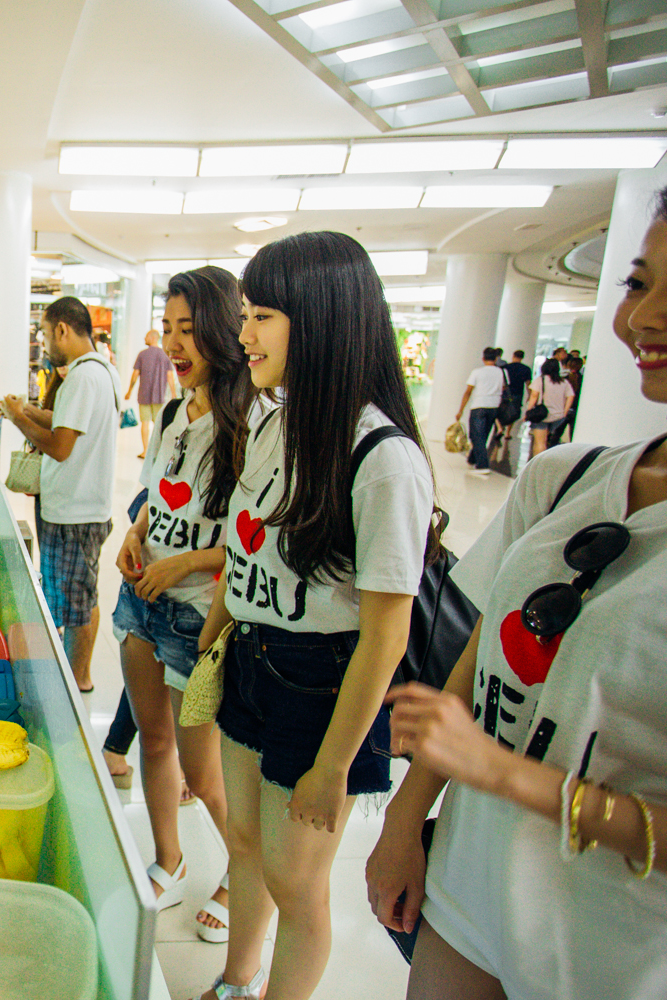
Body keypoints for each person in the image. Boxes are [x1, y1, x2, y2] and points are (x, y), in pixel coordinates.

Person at [365, 166, 667, 1000]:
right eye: (637, 282)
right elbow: (491, 646)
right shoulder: (565, 479)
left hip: (618, 948)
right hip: (471, 885)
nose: (645, 315)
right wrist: (410, 812)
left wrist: (510, 777)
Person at [197, 231, 436, 1000]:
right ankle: (237, 980)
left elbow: (386, 632)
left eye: (262, 315)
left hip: (321, 684)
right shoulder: (271, 420)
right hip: (251, 658)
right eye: (245, 314)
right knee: (242, 845)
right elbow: (244, 550)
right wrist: (219, 624)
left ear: (324, 321)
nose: (244, 335)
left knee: (293, 880)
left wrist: (334, 767)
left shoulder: (383, 458)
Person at [113, 267, 259, 944]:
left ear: (225, 332)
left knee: (202, 768)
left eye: (189, 330)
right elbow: (154, 500)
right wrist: (137, 536)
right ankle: (169, 859)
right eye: (167, 329)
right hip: (143, 602)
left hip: (201, 619)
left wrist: (189, 562)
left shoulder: (252, 423)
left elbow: (257, 545)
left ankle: (243, 875)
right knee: (154, 737)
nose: (174, 344)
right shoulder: (172, 413)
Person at [2, 296, 119, 693]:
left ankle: (74, 681)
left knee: (75, 603)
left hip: (73, 512)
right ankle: (75, 675)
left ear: (63, 330)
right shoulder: (99, 371)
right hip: (82, 507)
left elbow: (60, 446)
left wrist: (19, 420)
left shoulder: (83, 377)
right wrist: (31, 411)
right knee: (81, 593)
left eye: (47, 334)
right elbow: (70, 423)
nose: (46, 342)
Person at [127, 328, 179, 459]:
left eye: (146, 337)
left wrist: (129, 391)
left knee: (144, 422)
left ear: (153, 337)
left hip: (144, 394)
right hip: (159, 395)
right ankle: (157, 451)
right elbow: (170, 376)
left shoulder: (142, 354)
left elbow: (135, 374)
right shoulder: (164, 355)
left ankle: (145, 451)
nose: (145, 339)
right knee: (158, 424)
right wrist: (173, 393)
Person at [455, 347, 507, 474]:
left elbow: (468, 392)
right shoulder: (501, 372)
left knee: (476, 435)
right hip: (494, 407)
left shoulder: (477, 372)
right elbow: (504, 387)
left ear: (483, 358)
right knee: (483, 435)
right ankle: (472, 459)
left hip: (479, 406)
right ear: (496, 358)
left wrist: (460, 410)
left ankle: (482, 465)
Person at [526, 357, 575, 458]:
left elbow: (534, 395)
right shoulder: (563, 382)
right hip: (558, 416)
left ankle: (538, 465)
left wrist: (528, 411)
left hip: (542, 415)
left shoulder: (541, 380)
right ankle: (537, 462)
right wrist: (564, 411)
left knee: (540, 442)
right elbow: (571, 396)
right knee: (545, 440)